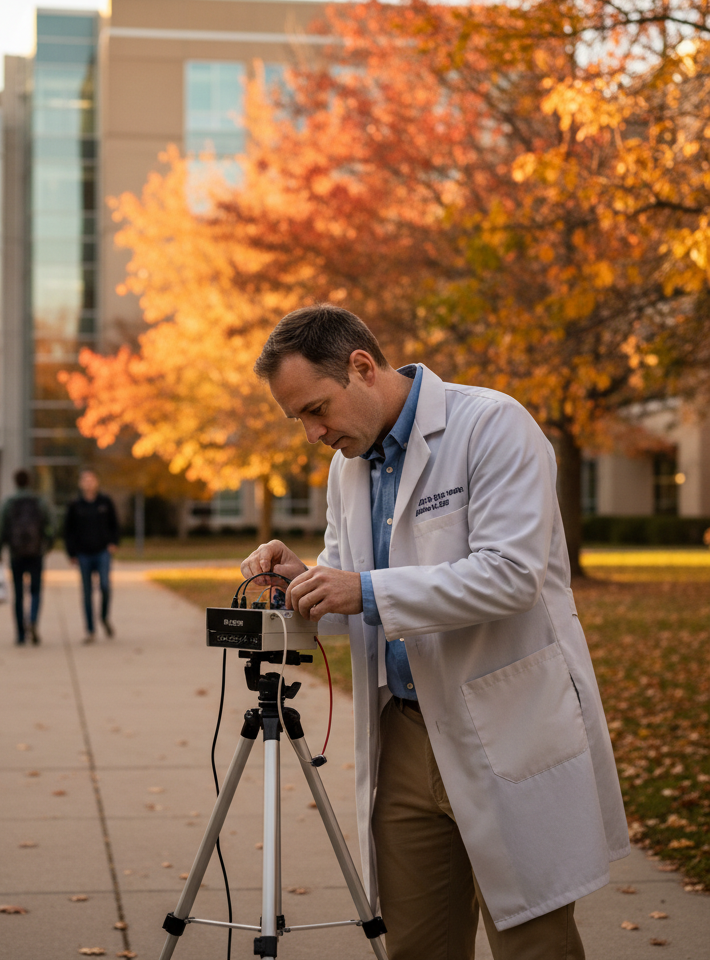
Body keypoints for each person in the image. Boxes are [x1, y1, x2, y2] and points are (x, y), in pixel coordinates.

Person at [240, 304, 627, 960]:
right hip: (403, 738)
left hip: (507, 725)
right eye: (299, 419)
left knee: (534, 945)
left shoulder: (492, 425)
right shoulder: (348, 466)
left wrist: (359, 589)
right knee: (417, 947)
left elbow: (512, 575)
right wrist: (306, 586)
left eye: (315, 408)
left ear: (361, 367)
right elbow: (354, 589)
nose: (312, 433)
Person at [0, 469, 52, 646]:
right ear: (30, 482)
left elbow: (0, 529)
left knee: (18, 595)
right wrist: (47, 545)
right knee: (35, 591)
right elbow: (51, 526)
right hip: (36, 553)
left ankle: (20, 634)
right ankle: (33, 620)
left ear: (15, 482)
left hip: (16, 553)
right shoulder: (40, 502)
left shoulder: (9, 503)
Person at [64, 469, 120, 643]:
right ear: (81, 484)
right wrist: (72, 552)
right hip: (83, 554)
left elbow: (115, 525)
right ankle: (90, 630)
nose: (88, 483)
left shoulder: (105, 502)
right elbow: (68, 531)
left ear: (97, 482)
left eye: (91, 480)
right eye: (85, 480)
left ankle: (103, 617)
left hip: (102, 551)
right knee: (87, 593)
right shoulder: (75, 505)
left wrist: (113, 542)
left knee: (105, 586)